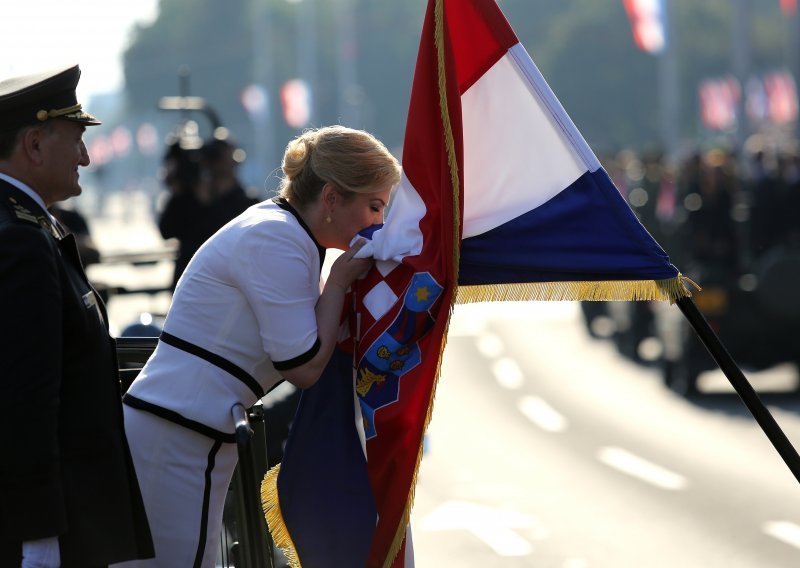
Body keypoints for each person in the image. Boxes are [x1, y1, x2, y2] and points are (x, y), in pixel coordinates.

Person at [118, 125, 401, 567]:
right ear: (330, 198)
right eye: (373, 205)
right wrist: (341, 280)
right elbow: (304, 365)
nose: (378, 223)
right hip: (177, 437)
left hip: (186, 431)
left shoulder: (283, 231)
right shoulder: (279, 237)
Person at [0, 65, 154, 566]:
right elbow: (26, 399)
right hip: (50, 529)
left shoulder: (27, 227)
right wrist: (38, 537)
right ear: (35, 146)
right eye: (76, 139)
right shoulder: (20, 239)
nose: (86, 156)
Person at [157, 136, 258, 290]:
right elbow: (166, 230)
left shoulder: (247, 203)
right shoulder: (188, 199)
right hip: (190, 285)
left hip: (230, 288)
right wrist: (181, 193)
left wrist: (207, 205)